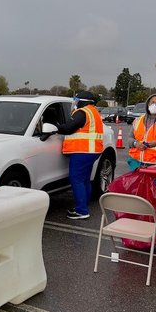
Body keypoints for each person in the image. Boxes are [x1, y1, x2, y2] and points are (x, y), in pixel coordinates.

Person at [56, 91, 104, 220]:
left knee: (76, 179)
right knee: (84, 180)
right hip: (92, 151)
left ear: (82, 101)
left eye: (76, 99)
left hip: (82, 151)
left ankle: (82, 210)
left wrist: (56, 126)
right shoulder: (93, 112)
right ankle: (82, 205)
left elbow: (68, 128)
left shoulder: (82, 112)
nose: (75, 102)